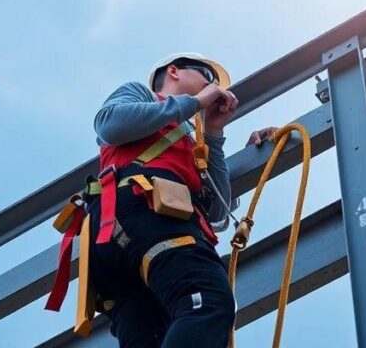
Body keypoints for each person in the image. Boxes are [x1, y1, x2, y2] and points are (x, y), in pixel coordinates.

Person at [86, 53, 276, 347]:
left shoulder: (192, 138)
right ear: (173, 71)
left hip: (119, 244)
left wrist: (213, 132)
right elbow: (110, 125)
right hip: (143, 217)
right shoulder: (142, 95)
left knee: (152, 335)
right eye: (207, 77)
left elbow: (217, 212)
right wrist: (197, 102)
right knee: (208, 300)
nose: (213, 86)